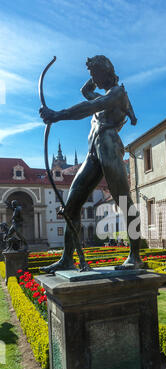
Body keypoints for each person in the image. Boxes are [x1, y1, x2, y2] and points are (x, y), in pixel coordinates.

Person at [39, 55, 142, 273]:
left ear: (107, 73)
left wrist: (56, 115)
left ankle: (135, 256)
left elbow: (88, 106)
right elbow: (85, 92)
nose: (92, 79)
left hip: (109, 147)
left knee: (123, 200)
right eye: (92, 75)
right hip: (93, 152)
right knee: (72, 205)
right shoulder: (105, 93)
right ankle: (67, 258)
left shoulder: (116, 94)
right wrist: (93, 75)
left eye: (96, 74)